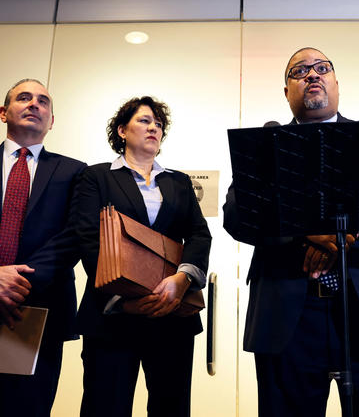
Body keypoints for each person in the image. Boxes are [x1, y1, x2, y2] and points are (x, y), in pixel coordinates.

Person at [223, 47, 359, 417]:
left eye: (321, 68)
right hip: (289, 316)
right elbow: (237, 217)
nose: (312, 75)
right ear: (287, 92)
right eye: (299, 71)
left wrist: (352, 236)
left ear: (336, 84)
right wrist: (307, 235)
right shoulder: (266, 144)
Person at [71, 96, 211, 417]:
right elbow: (89, 239)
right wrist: (124, 298)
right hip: (112, 316)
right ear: (122, 130)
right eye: (144, 121)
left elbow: (198, 234)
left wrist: (182, 280)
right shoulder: (97, 177)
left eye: (158, 124)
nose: (153, 128)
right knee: (105, 406)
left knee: (171, 408)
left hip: (173, 315)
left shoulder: (178, 181)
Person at [0, 78, 86, 417]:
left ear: (51, 121)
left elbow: (75, 236)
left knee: (27, 409)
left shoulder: (75, 172)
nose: (35, 104)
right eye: (24, 98)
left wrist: (16, 282)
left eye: (43, 101)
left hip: (36, 312)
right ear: (4, 112)